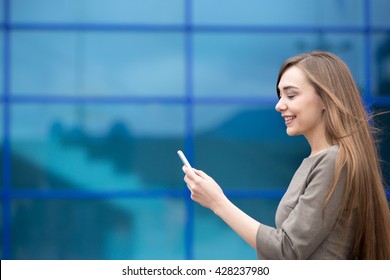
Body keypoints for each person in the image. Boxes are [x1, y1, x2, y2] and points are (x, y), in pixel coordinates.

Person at [182, 50, 390, 259]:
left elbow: (287, 250)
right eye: (280, 95)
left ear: (326, 99)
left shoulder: (333, 161)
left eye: (291, 95)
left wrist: (217, 202)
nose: (279, 105)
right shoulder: (321, 160)